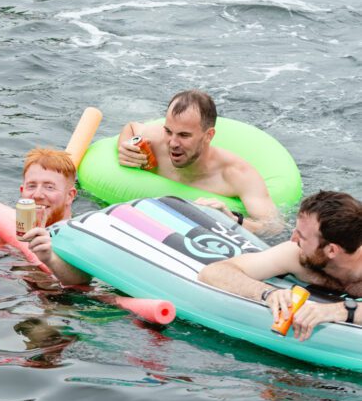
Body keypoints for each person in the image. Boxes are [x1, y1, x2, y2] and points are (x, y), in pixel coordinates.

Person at [198, 190, 362, 341]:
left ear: (331, 250)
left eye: (302, 236)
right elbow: (213, 272)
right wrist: (267, 293)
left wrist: (341, 310)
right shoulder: (295, 255)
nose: (293, 239)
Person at [116, 90, 282, 236]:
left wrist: (230, 219)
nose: (172, 143)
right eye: (168, 131)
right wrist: (125, 148)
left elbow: (274, 228)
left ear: (208, 136)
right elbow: (131, 127)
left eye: (184, 135)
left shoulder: (237, 175)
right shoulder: (156, 140)